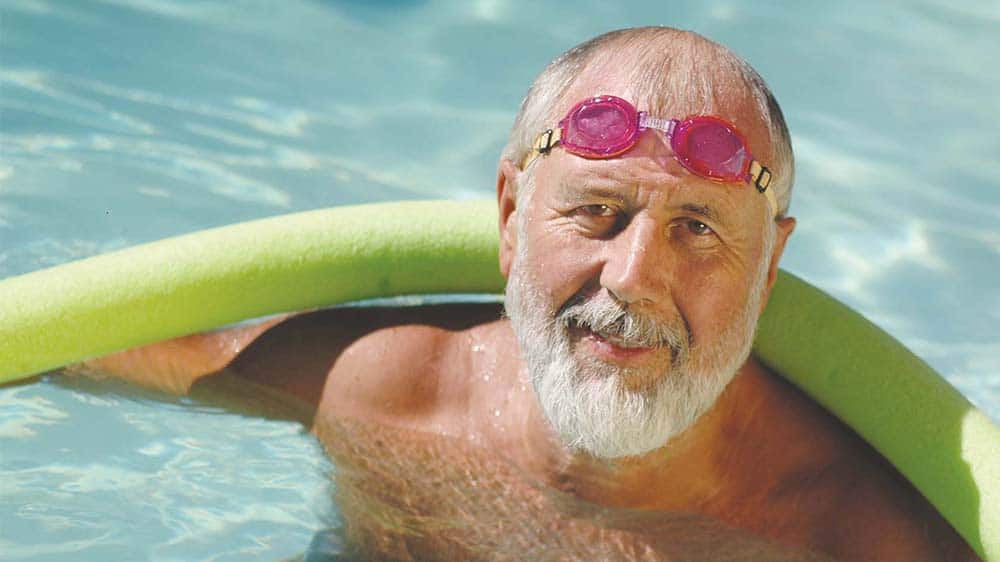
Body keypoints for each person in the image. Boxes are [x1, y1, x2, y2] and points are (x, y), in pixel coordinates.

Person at [79, 27, 978, 561]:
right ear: (511, 215)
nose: (633, 278)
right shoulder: (380, 391)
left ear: (770, 267)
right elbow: (70, 348)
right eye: (597, 210)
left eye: (699, 228)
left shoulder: (844, 535)